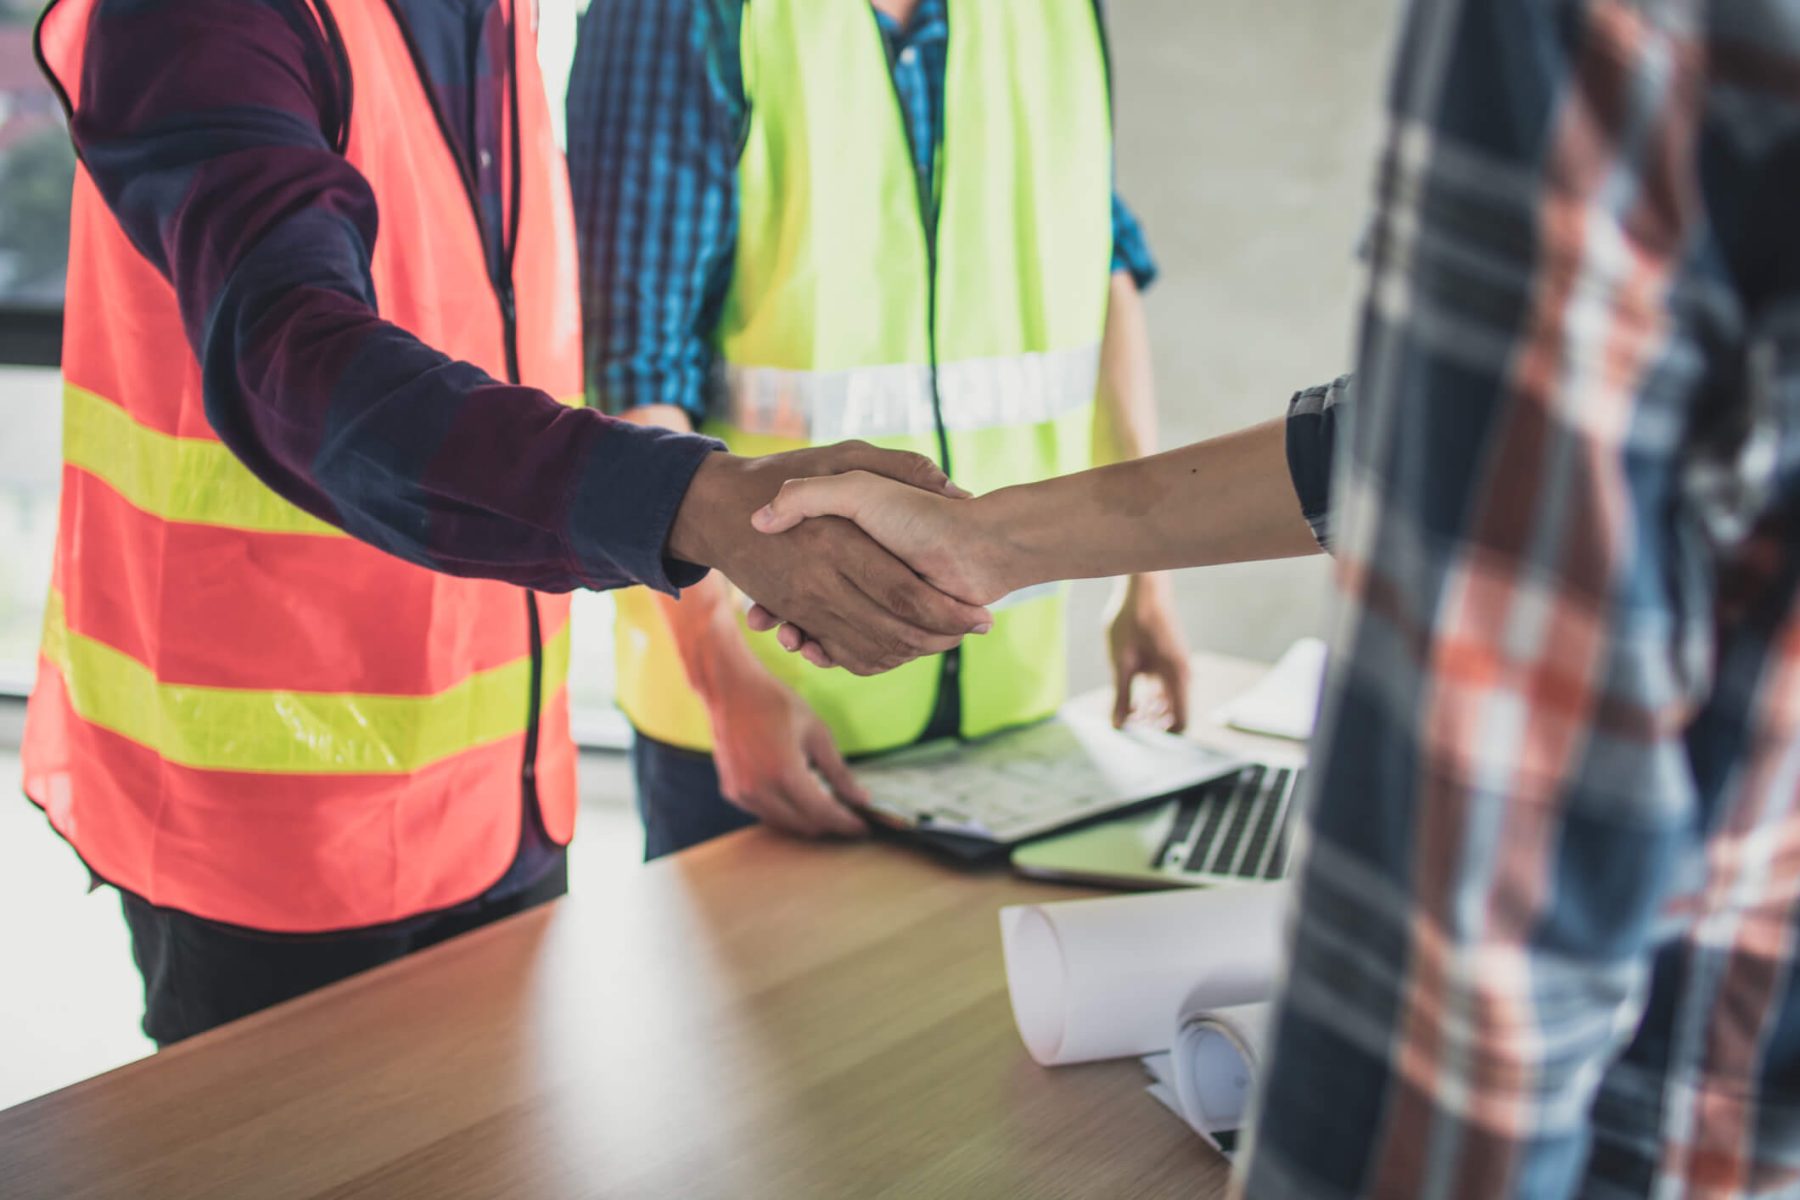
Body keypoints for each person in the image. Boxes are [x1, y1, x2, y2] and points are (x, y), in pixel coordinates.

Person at [752, 0, 1800, 1191]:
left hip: (1638, 1104)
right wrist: (994, 542)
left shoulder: (1588, 31)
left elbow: (1511, 598)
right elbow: (1422, 435)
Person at [24, 0, 985, 1047]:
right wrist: (690, 502)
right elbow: (300, 369)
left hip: (502, 791)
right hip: (274, 833)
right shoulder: (197, 18)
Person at [565, 0, 1190, 858]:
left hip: (1009, 698)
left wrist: (1145, 579)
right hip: (772, 707)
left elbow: (1101, 264)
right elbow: (632, 374)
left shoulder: (1056, 13)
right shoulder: (677, 14)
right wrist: (723, 680)